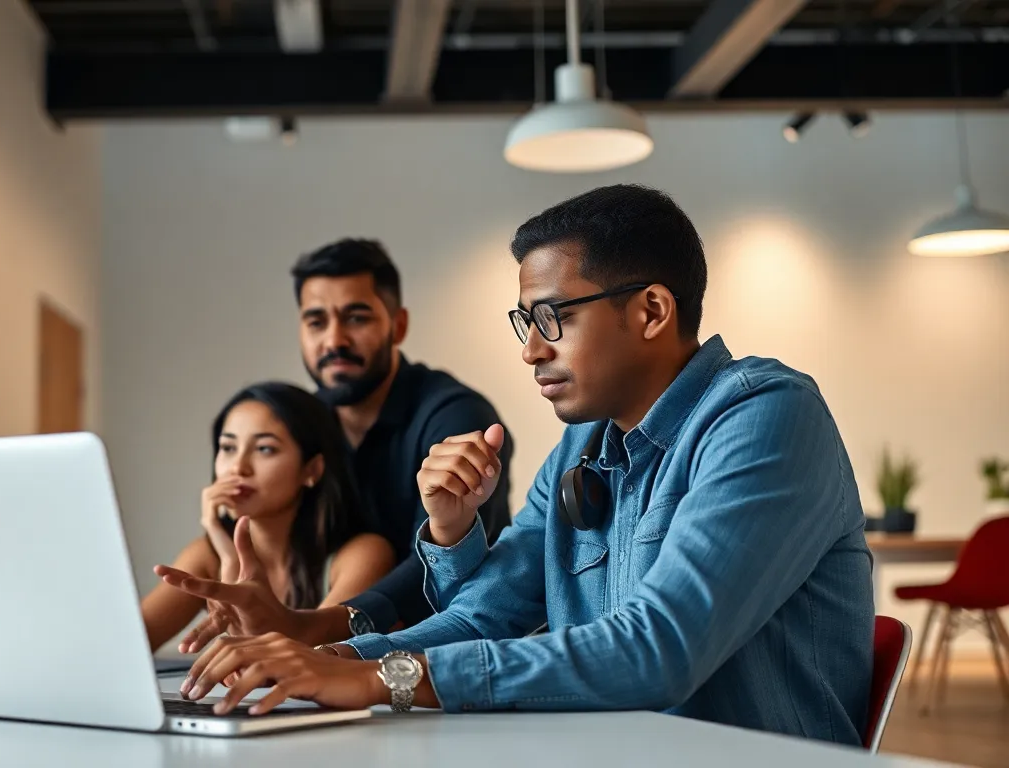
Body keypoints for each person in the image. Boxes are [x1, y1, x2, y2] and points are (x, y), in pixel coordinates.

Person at [169, 185, 876, 746]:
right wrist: (332, 659)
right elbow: (489, 612)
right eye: (524, 323)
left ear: (652, 310)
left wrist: (387, 677)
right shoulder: (585, 445)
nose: (531, 350)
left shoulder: (766, 417)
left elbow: (661, 649)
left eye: (551, 318)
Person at [157, 239, 514, 653]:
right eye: (315, 321)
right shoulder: (305, 423)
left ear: (397, 326)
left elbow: (439, 564)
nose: (334, 340)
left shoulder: (454, 417)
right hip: (342, 651)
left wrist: (306, 629)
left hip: (458, 648)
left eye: (356, 318)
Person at [140, 382, 395, 652]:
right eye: (228, 447)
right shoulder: (207, 554)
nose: (238, 467)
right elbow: (125, 647)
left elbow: (295, 660)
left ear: (312, 469)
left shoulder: (363, 554)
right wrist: (227, 555)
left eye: (264, 449)